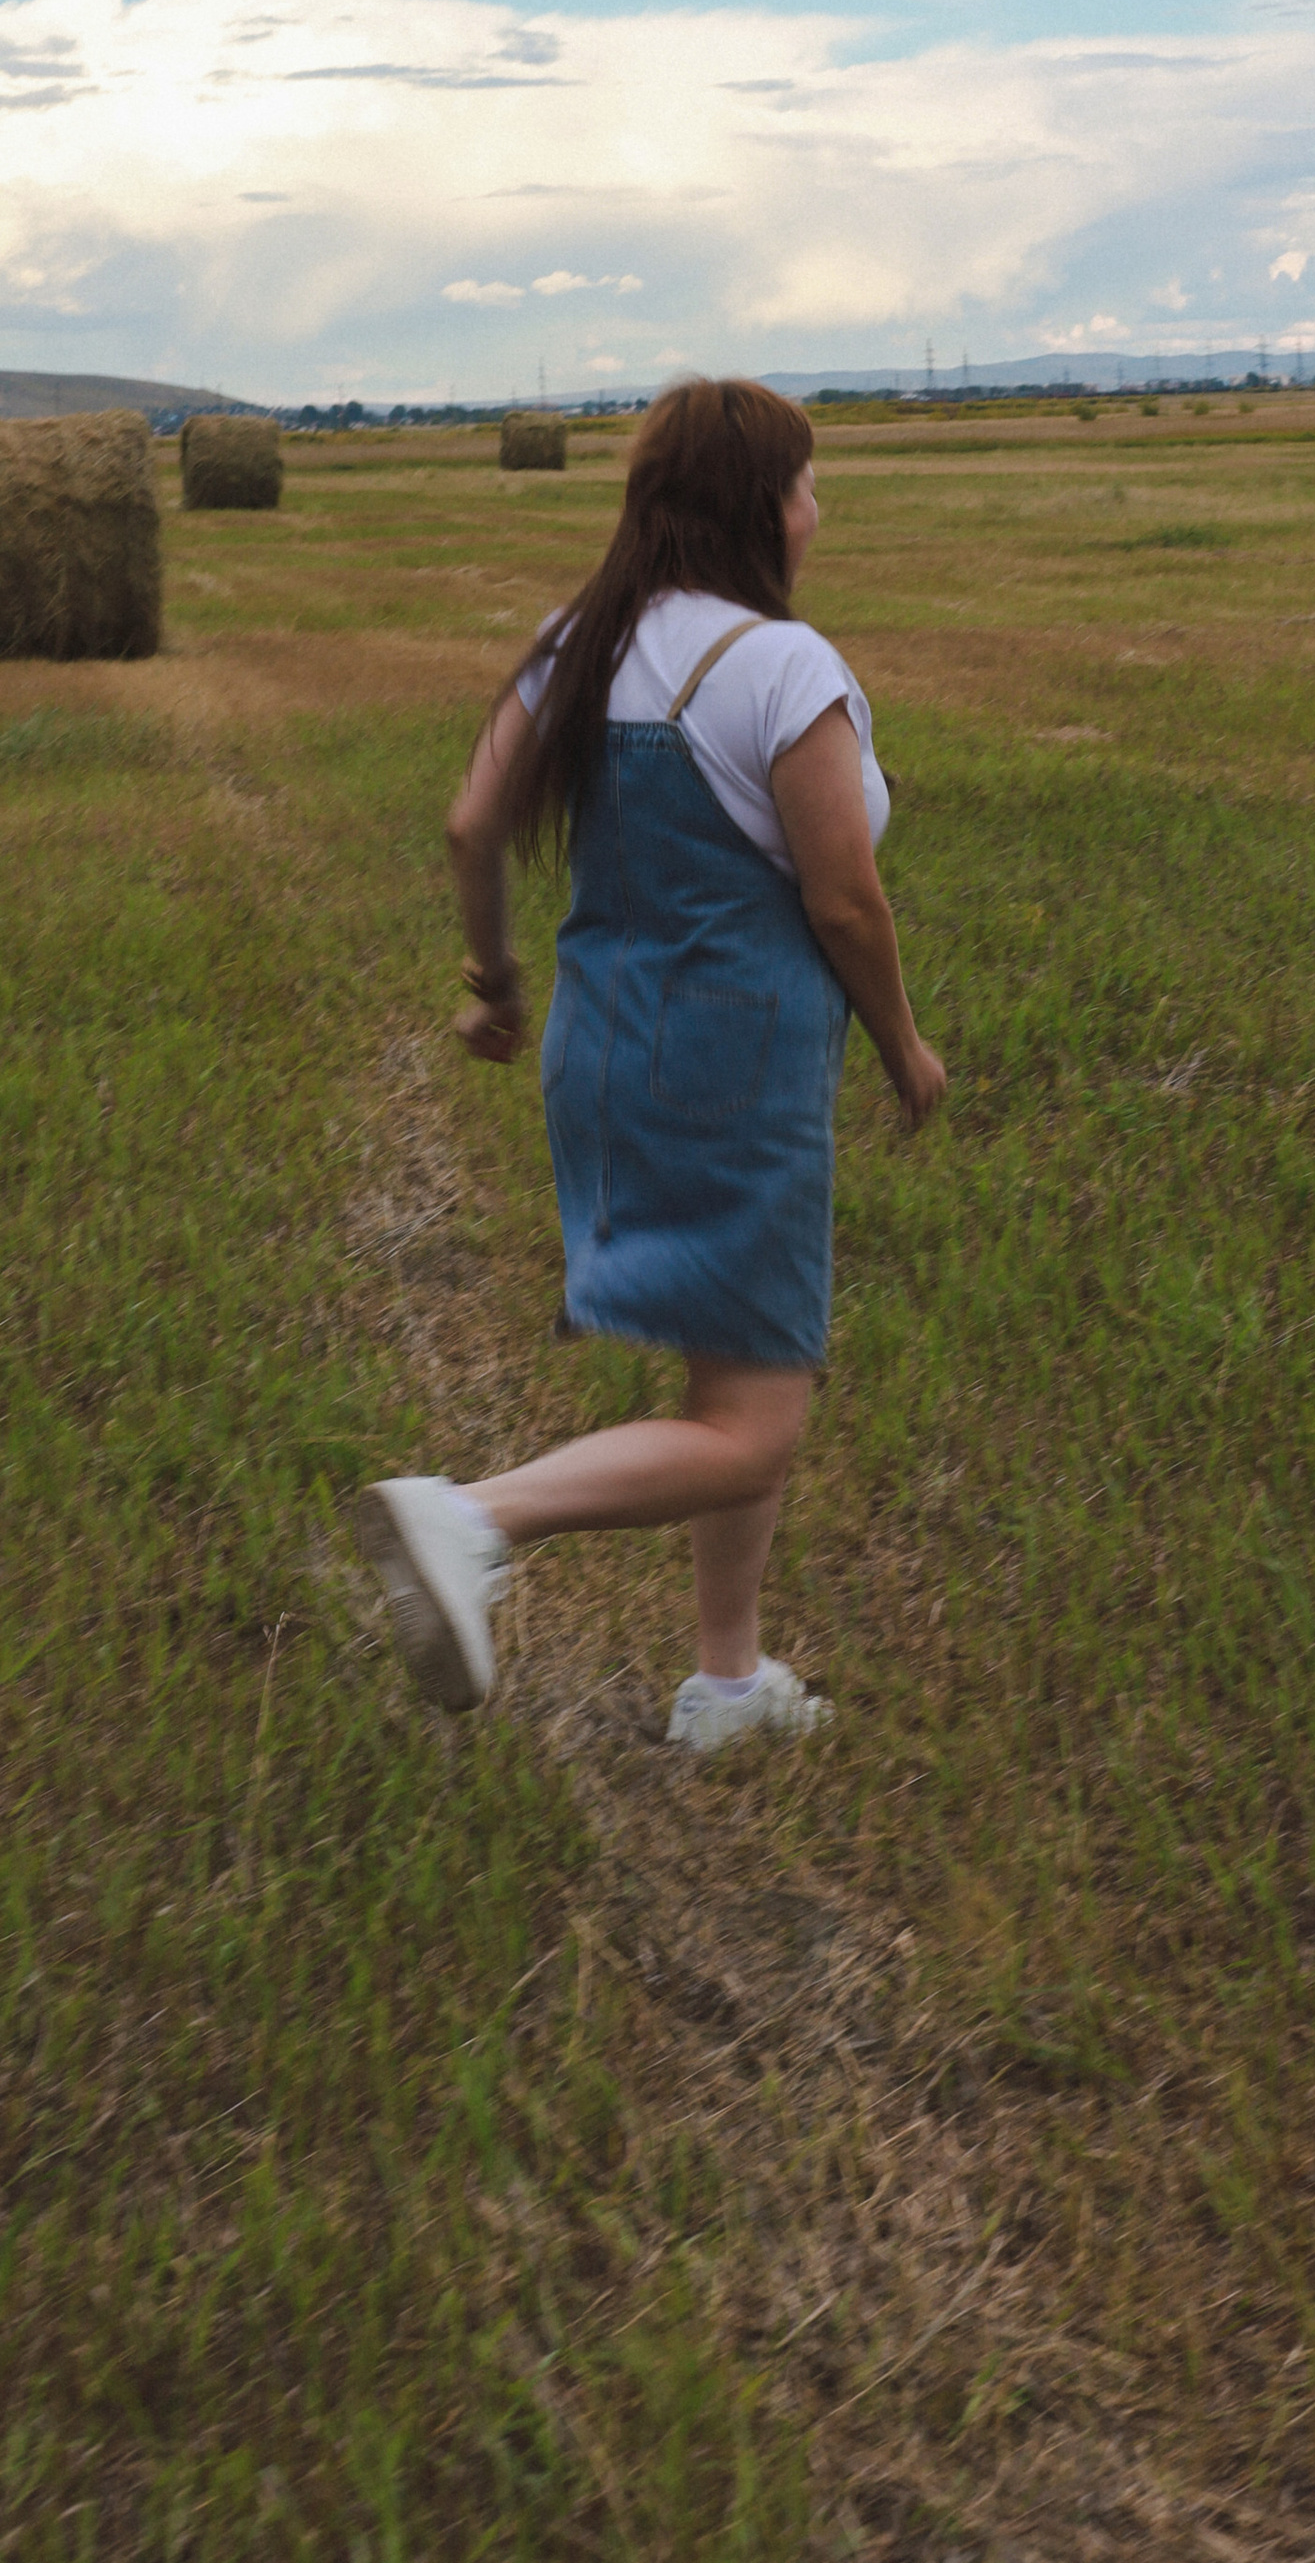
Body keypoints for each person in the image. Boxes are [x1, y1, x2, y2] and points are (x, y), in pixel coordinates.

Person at [356, 378, 946, 1750]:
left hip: (602, 1053)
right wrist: (904, 1044)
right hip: (732, 1070)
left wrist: (492, 987)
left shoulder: (580, 641)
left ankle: (726, 1684)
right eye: (805, 483)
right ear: (757, 506)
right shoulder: (784, 669)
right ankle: (471, 1521)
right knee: (755, 1426)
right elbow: (846, 902)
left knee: (740, 1368)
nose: (818, 508)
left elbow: (470, 826)